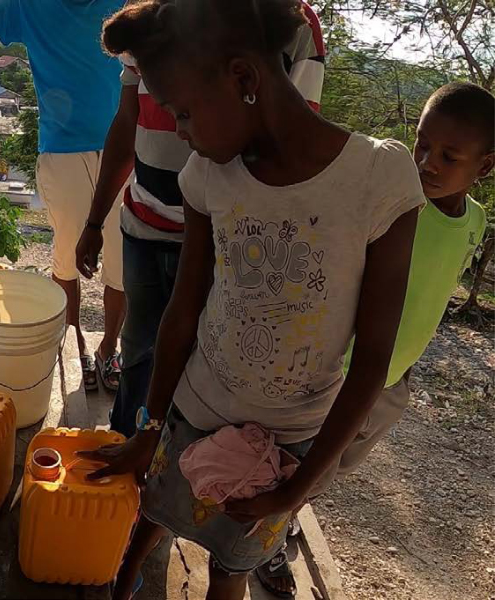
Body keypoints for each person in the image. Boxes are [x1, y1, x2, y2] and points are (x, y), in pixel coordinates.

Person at [78, 1, 425, 599]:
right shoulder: (209, 177)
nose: (180, 132)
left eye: (183, 112)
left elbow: (372, 358)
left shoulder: (379, 181)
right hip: (195, 408)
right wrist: (153, 426)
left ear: (242, 79)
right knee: (154, 515)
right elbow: (181, 313)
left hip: (286, 443)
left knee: (231, 564)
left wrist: (299, 487)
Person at [258, 81, 495, 597]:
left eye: (448, 155)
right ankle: (261, 542)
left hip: (391, 381)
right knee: (299, 462)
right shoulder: (390, 200)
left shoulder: (474, 221)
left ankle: (281, 518)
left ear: (484, 167)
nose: (427, 161)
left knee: (332, 467)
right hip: (340, 372)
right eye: (422, 143)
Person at [77, 0, 326, 436]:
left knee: (203, 362)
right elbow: (127, 122)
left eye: (184, 114)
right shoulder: (148, 23)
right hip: (143, 225)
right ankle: (127, 446)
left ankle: (171, 462)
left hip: (224, 240)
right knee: (140, 352)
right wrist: (95, 220)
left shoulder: (286, 21)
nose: (178, 129)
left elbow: (293, 134)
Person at [0, 0, 127, 390]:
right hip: (63, 152)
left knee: (120, 262)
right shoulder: (27, 6)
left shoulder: (126, 4)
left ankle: (109, 349)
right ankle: (75, 347)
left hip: (126, 148)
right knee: (67, 256)